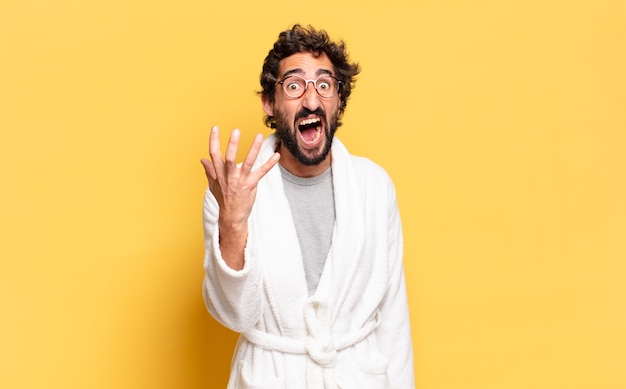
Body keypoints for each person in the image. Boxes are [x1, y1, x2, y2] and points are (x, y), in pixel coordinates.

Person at [200, 24, 414, 389]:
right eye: (295, 85)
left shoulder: (374, 187)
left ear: (339, 100)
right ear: (270, 102)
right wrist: (233, 223)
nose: (311, 101)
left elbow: (393, 318)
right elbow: (235, 315)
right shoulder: (230, 191)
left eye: (325, 85)